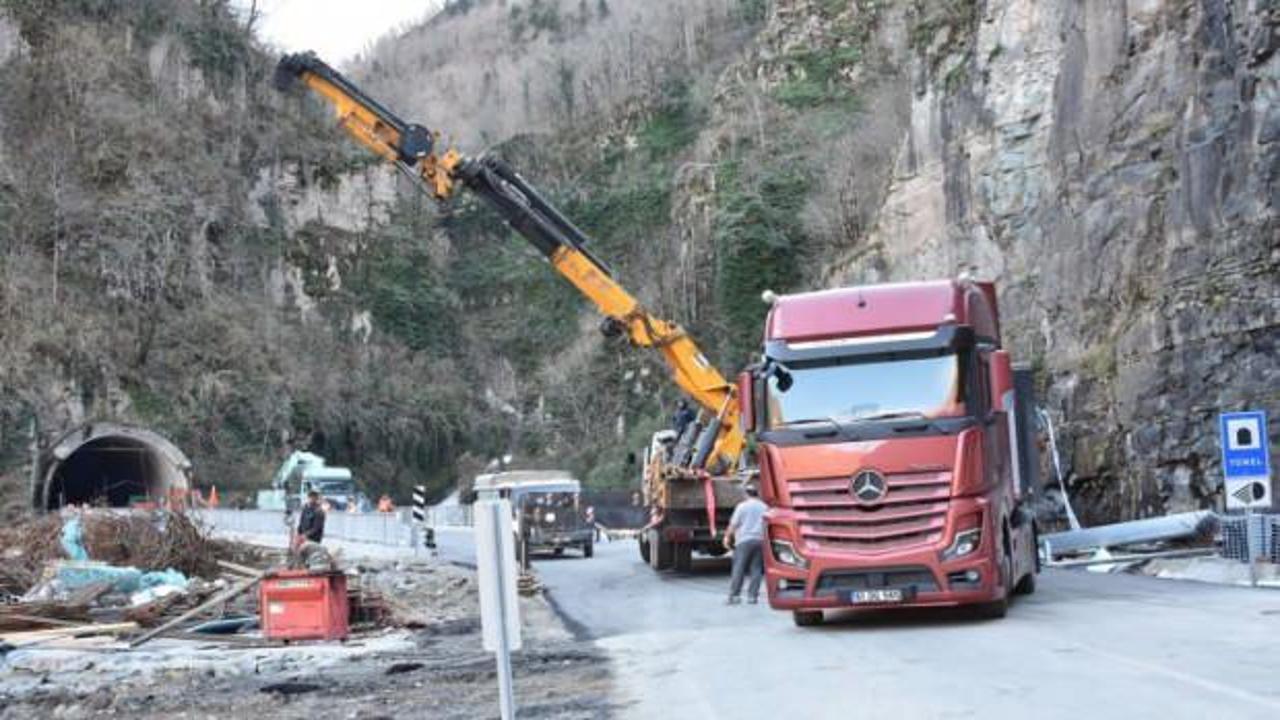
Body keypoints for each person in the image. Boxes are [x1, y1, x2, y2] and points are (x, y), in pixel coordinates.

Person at [724, 483, 767, 604]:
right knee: (756, 569)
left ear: (746, 494)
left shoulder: (742, 506)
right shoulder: (764, 507)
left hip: (744, 541)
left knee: (739, 568)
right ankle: (752, 597)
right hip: (760, 540)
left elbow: (734, 524)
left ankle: (734, 596)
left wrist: (727, 537)